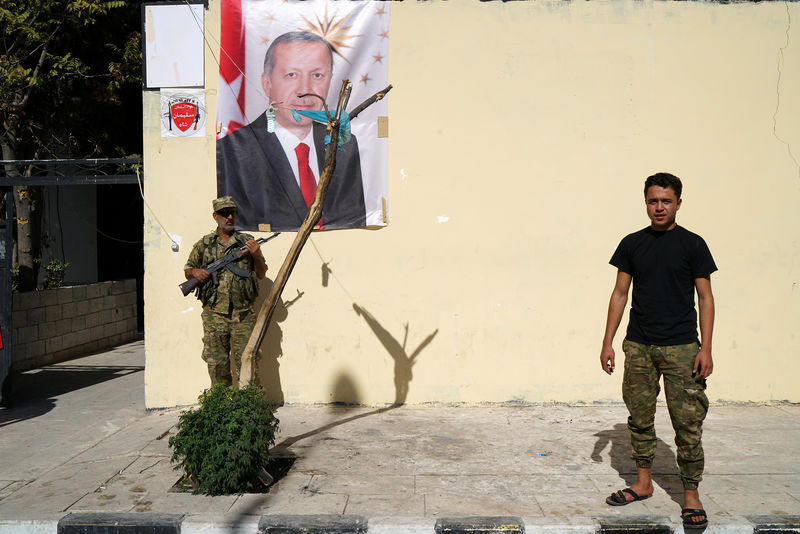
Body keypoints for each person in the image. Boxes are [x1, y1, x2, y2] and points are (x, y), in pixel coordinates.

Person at [599, 173, 717, 530]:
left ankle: (691, 494)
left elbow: (706, 297)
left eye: (666, 201)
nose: (660, 207)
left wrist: (706, 348)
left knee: (688, 424)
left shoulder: (693, 244)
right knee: (639, 418)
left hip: (682, 348)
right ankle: (643, 482)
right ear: (646, 203)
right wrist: (607, 341)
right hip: (639, 346)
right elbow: (620, 293)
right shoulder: (632, 244)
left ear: (679, 203)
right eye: (653, 201)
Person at [217, 31, 366, 232]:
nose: (304, 90)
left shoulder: (345, 144)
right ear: (267, 83)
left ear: (330, 81)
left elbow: (354, 216)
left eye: (317, 75)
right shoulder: (234, 150)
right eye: (291, 75)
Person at [184, 196, 268, 386]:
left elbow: (261, 273)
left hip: (243, 315)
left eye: (232, 213)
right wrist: (196, 272)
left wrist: (256, 254)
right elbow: (188, 270)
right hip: (214, 316)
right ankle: (220, 407)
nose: (229, 217)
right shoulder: (204, 244)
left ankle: (251, 407)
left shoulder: (247, 242)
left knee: (248, 362)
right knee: (217, 364)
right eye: (224, 213)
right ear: (215, 216)